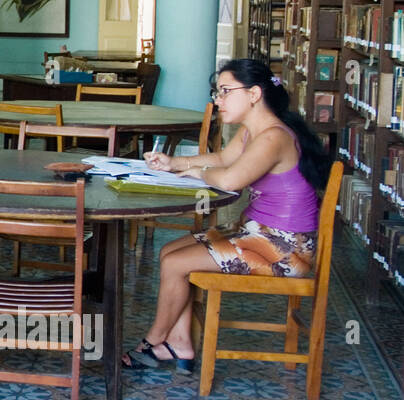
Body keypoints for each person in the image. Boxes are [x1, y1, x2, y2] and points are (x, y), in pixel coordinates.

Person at [122, 58, 332, 372]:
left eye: (224, 91)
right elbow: (223, 158)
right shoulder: (253, 131)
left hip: (285, 248)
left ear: (254, 94)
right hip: (258, 233)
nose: (217, 100)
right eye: (217, 92)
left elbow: (231, 178)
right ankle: (178, 343)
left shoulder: (274, 137)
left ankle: (153, 340)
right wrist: (174, 164)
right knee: (170, 252)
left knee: (176, 263)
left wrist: (199, 172)